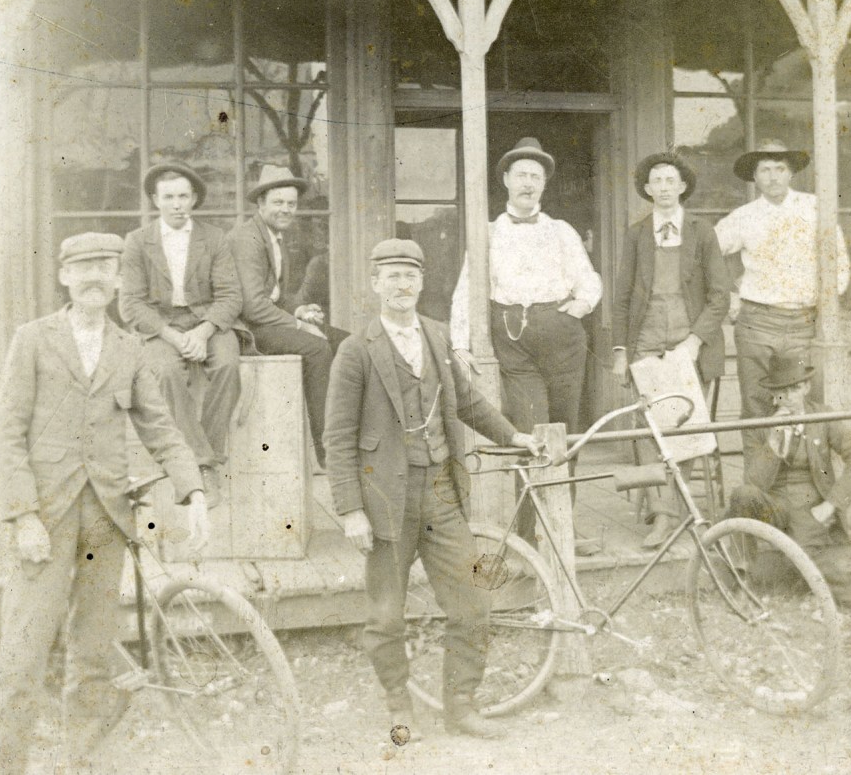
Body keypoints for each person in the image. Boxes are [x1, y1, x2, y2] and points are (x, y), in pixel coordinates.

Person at [0, 232, 210, 774]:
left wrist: (195, 490)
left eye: (104, 267)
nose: (93, 277)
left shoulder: (128, 348)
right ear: (64, 276)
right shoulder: (34, 339)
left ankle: (80, 761)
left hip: (106, 523)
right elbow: (7, 433)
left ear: (117, 279)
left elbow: (159, 426)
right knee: (23, 654)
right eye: (82, 267)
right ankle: (3, 766)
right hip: (44, 519)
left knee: (92, 655)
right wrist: (22, 516)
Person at [326, 239, 543, 741]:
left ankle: (460, 704)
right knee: (386, 614)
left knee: (473, 601)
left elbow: (469, 403)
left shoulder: (439, 337)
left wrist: (514, 436)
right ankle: (398, 705)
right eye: (392, 276)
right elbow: (336, 438)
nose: (402, 285)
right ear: (376, 283)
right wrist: (351, 510)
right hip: (384, 501)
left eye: (410, 275)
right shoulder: (356, 351)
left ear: (422, 283)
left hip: (442, 494)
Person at [450, 137, 601, 541]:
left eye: (536, 176)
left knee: (566, 432)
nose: (528, 183)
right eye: (521, 175)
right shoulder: (487, 232)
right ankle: (532, 530)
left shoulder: (561, 231)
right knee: (531, 432)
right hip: (514, 341)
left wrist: (579, 307)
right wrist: (460, 341)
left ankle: (563, 528)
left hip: (563, 340)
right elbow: (469, 286)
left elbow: (589, 279)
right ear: (505, 180)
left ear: (544, 186)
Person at [611, 154, 731, 546]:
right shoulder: (636, 234)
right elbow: (623, 296)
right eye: (656, 181)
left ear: (682, 187)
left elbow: (719, 295)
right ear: (647, 190)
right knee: (651, 431)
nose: (663, 187)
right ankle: (665, 517)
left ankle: (674, 509)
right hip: (646, 343)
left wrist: (695, 341)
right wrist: (621, 350)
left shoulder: (702, 231)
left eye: (670, 180)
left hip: (688, 343)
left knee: (687, 426)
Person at [714, 139, 849, 481]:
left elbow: (840, 264)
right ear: (755, 178)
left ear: (791, 174)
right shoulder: (744, 217)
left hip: (804, 323)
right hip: (757, 323)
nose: (773, 177)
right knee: (757, 408)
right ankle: (757, 493)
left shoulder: (815, 209)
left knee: (807, 408)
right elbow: (708, 255)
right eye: (764, 170)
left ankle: (814, 490)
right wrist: (729, 295)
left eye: (779, 169)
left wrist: (825, 303)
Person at [120, 162, 243, 506]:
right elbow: (130, 303)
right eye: (169, 197)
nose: (177, 204)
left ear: (193, 200)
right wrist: (175, 338)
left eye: (183, 196)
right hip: (161, 327)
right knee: (166, 371)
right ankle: (202, 466)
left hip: (207, 320)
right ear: (155, 200)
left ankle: (207, 457)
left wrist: (203, 333)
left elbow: (231, 295)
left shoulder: (214, 238)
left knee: (228, 365)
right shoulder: (137, 242)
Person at [725, 354, 851, 611]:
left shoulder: (822, 417)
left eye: (796, 389)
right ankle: (740, 583)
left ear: (806, 387)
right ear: (774, 394)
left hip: (810, 507)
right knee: (741, 496)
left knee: (810, 560)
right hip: (774, 505)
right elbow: (753, 483)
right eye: (782, 392)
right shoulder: (759, 423)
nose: (791, 397)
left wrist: (830, 505)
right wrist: (773, 443)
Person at [230, 165, 342, 468]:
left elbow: (276, 295)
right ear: (261, 203)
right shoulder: (248, 239)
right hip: (251, 331)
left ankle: (349, 437)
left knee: (348, 343)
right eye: (278, 202)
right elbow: (253, 306)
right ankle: (328, 453)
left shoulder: (275, 238)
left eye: (291, 204)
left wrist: (300, 309)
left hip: (271, 322)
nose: (286, 210)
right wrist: (298, 323)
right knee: (318, 348)